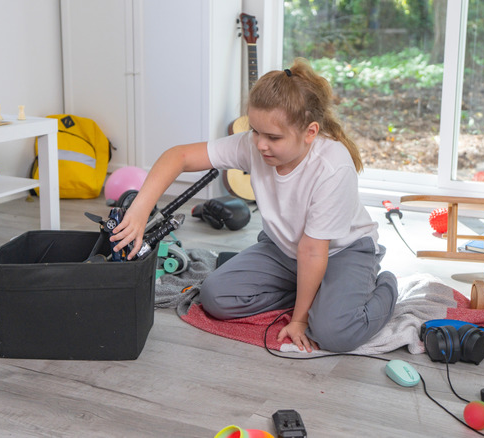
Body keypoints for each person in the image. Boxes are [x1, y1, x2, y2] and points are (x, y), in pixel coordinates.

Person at [111, 58, 398, 353]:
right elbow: (179, 156)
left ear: (310, 132)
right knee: (215, 298)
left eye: (273, 137)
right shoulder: (254, 144)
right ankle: (311, 292)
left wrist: (299, 320)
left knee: (333, 333)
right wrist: (140, 210)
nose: (260, 144)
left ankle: (385, 283)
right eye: (255, 131)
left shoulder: (332, 166)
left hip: (343, 251)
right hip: (285, 249)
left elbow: (313, 249)